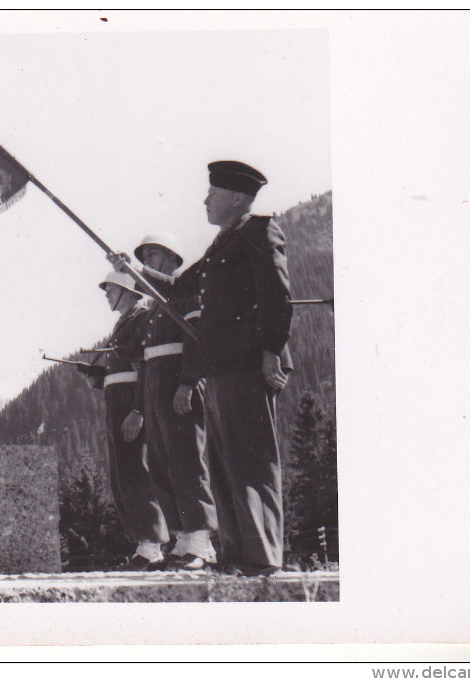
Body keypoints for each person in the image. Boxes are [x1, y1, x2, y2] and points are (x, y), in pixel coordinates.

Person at [178, 160, 293, 576]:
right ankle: (235, 555)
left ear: (239, 198)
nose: (206, 199)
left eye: (214, 192)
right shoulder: (221, 244)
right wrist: (132, 269)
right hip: (222, 367)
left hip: (247, 363)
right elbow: (180, 285)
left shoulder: (259, 231)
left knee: (252, 461)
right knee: (226, 463)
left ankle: (262, 557)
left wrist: (269, 353)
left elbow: (277, 297)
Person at [114, 233, 219, 571]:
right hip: (156, 384)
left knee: (187, 459)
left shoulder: (185, 293)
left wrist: (187, 384)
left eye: (154, 255)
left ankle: (202, 540)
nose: (148, 262)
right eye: (145, 256)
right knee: (162, 463)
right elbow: (145, 358)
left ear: (173, 258)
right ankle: (184, 538)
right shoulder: (155, 307)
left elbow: (199, 341)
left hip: (177, 381)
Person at [80, 272, 170, 570]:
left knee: (137, 470)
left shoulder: (141, 318)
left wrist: (139, 411)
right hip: (117, 401)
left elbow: (143, 368)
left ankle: (153, 544)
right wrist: (98, 379)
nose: (107, 294)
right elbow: (119, 373)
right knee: (124, 473)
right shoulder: (124, 322)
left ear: (130, 292)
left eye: (112, 289)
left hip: (131, 402)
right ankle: (144, 544)